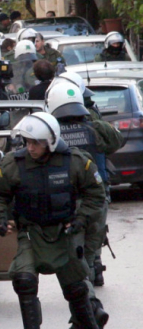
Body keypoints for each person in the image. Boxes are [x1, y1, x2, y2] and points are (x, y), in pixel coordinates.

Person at [0, 112, 114, 329]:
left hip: (65, 233)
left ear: (51, 142)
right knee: (23, 279)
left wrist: (80, 219)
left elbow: (95, 194)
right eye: (27, 142)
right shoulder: (15, 163)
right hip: (31, 233)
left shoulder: (75, 161)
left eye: (36, 142)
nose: (30, 147)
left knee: (77, 287)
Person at [45, 82, 124, 296]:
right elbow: (118, 142)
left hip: (66, 202)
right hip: (96, 199)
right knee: (88, 253)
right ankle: (87, 305)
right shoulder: (95, 127)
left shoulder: (51, 133)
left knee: (73, 258)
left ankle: (86, 308)